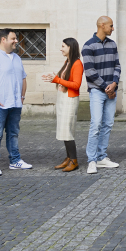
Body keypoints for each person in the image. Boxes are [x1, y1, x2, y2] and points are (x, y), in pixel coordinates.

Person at [0, 28, 32, 175]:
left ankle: (15, 161)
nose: (16, 41)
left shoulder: (17, 58)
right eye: (13, 38)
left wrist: (22, 98)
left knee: (13, 133)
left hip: (15, 104)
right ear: (3, 39)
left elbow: (23, 78)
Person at [82, 16, 121, 175]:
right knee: (96, 124)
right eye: (111, 26)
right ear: (102, 25)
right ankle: (92, 160)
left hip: (111, 90)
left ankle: (101, 157)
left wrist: (115, 83)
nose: (113, 29)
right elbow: (90, 72)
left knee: (108, 124)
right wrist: (107, 87)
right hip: (98, 91)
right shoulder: (88, 46)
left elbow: (117, 65)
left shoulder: (113, 44)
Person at [43, 38, 84, 172]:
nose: (61, 49)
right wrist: (54, 77)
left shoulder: (77, 63)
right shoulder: (68, 62)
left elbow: (76, 85)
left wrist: (57, 79)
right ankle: (68, 158)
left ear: (70, 48)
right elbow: (65, 80)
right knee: (63, 129)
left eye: (63, 46)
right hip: (63, 98)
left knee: (67, 130)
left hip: (70, 99)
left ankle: (74, 160)